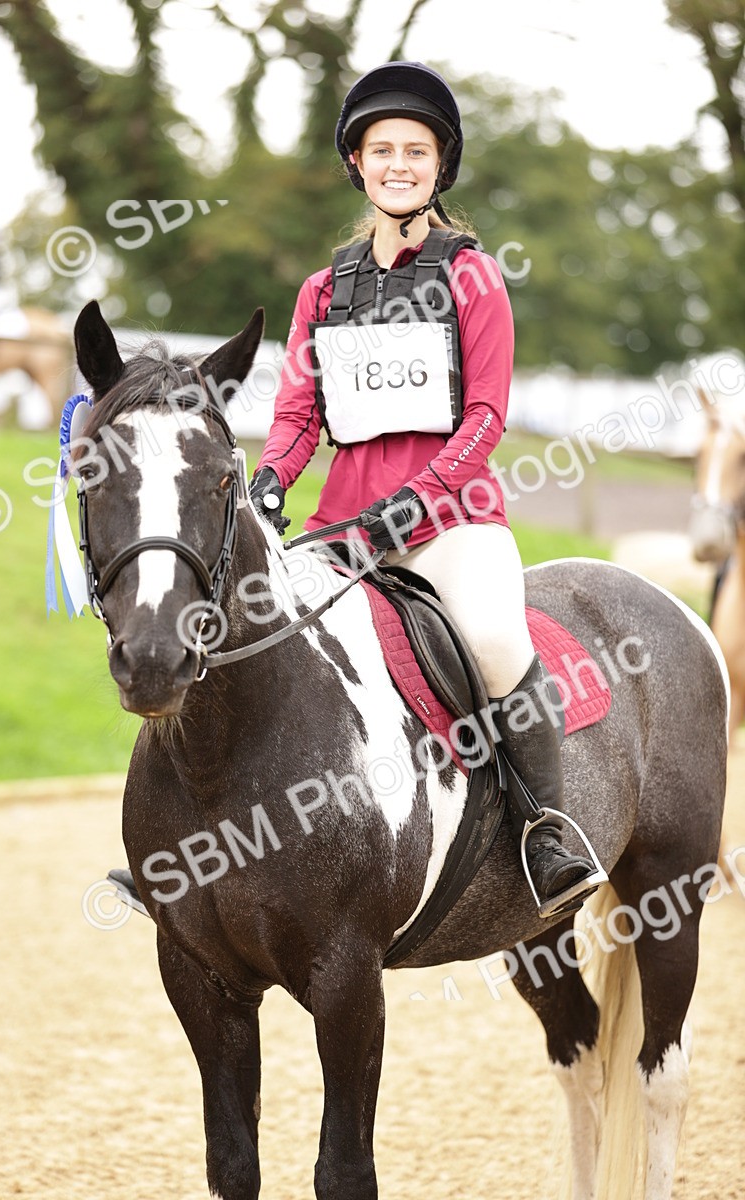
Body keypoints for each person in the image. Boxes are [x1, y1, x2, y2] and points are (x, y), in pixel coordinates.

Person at [249, 61, 600, 915]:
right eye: (382, 150)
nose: (398, 163)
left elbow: (485, 417)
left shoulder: (472, 277)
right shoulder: (322, 291)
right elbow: (299, 415)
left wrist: (410, 507)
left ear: (439, 167)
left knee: (488, 633)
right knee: (247, 632)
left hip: (451, 522)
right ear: (358, 164)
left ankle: (547, 829)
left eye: (416, 150)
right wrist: (268, 481)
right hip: (341, 526)